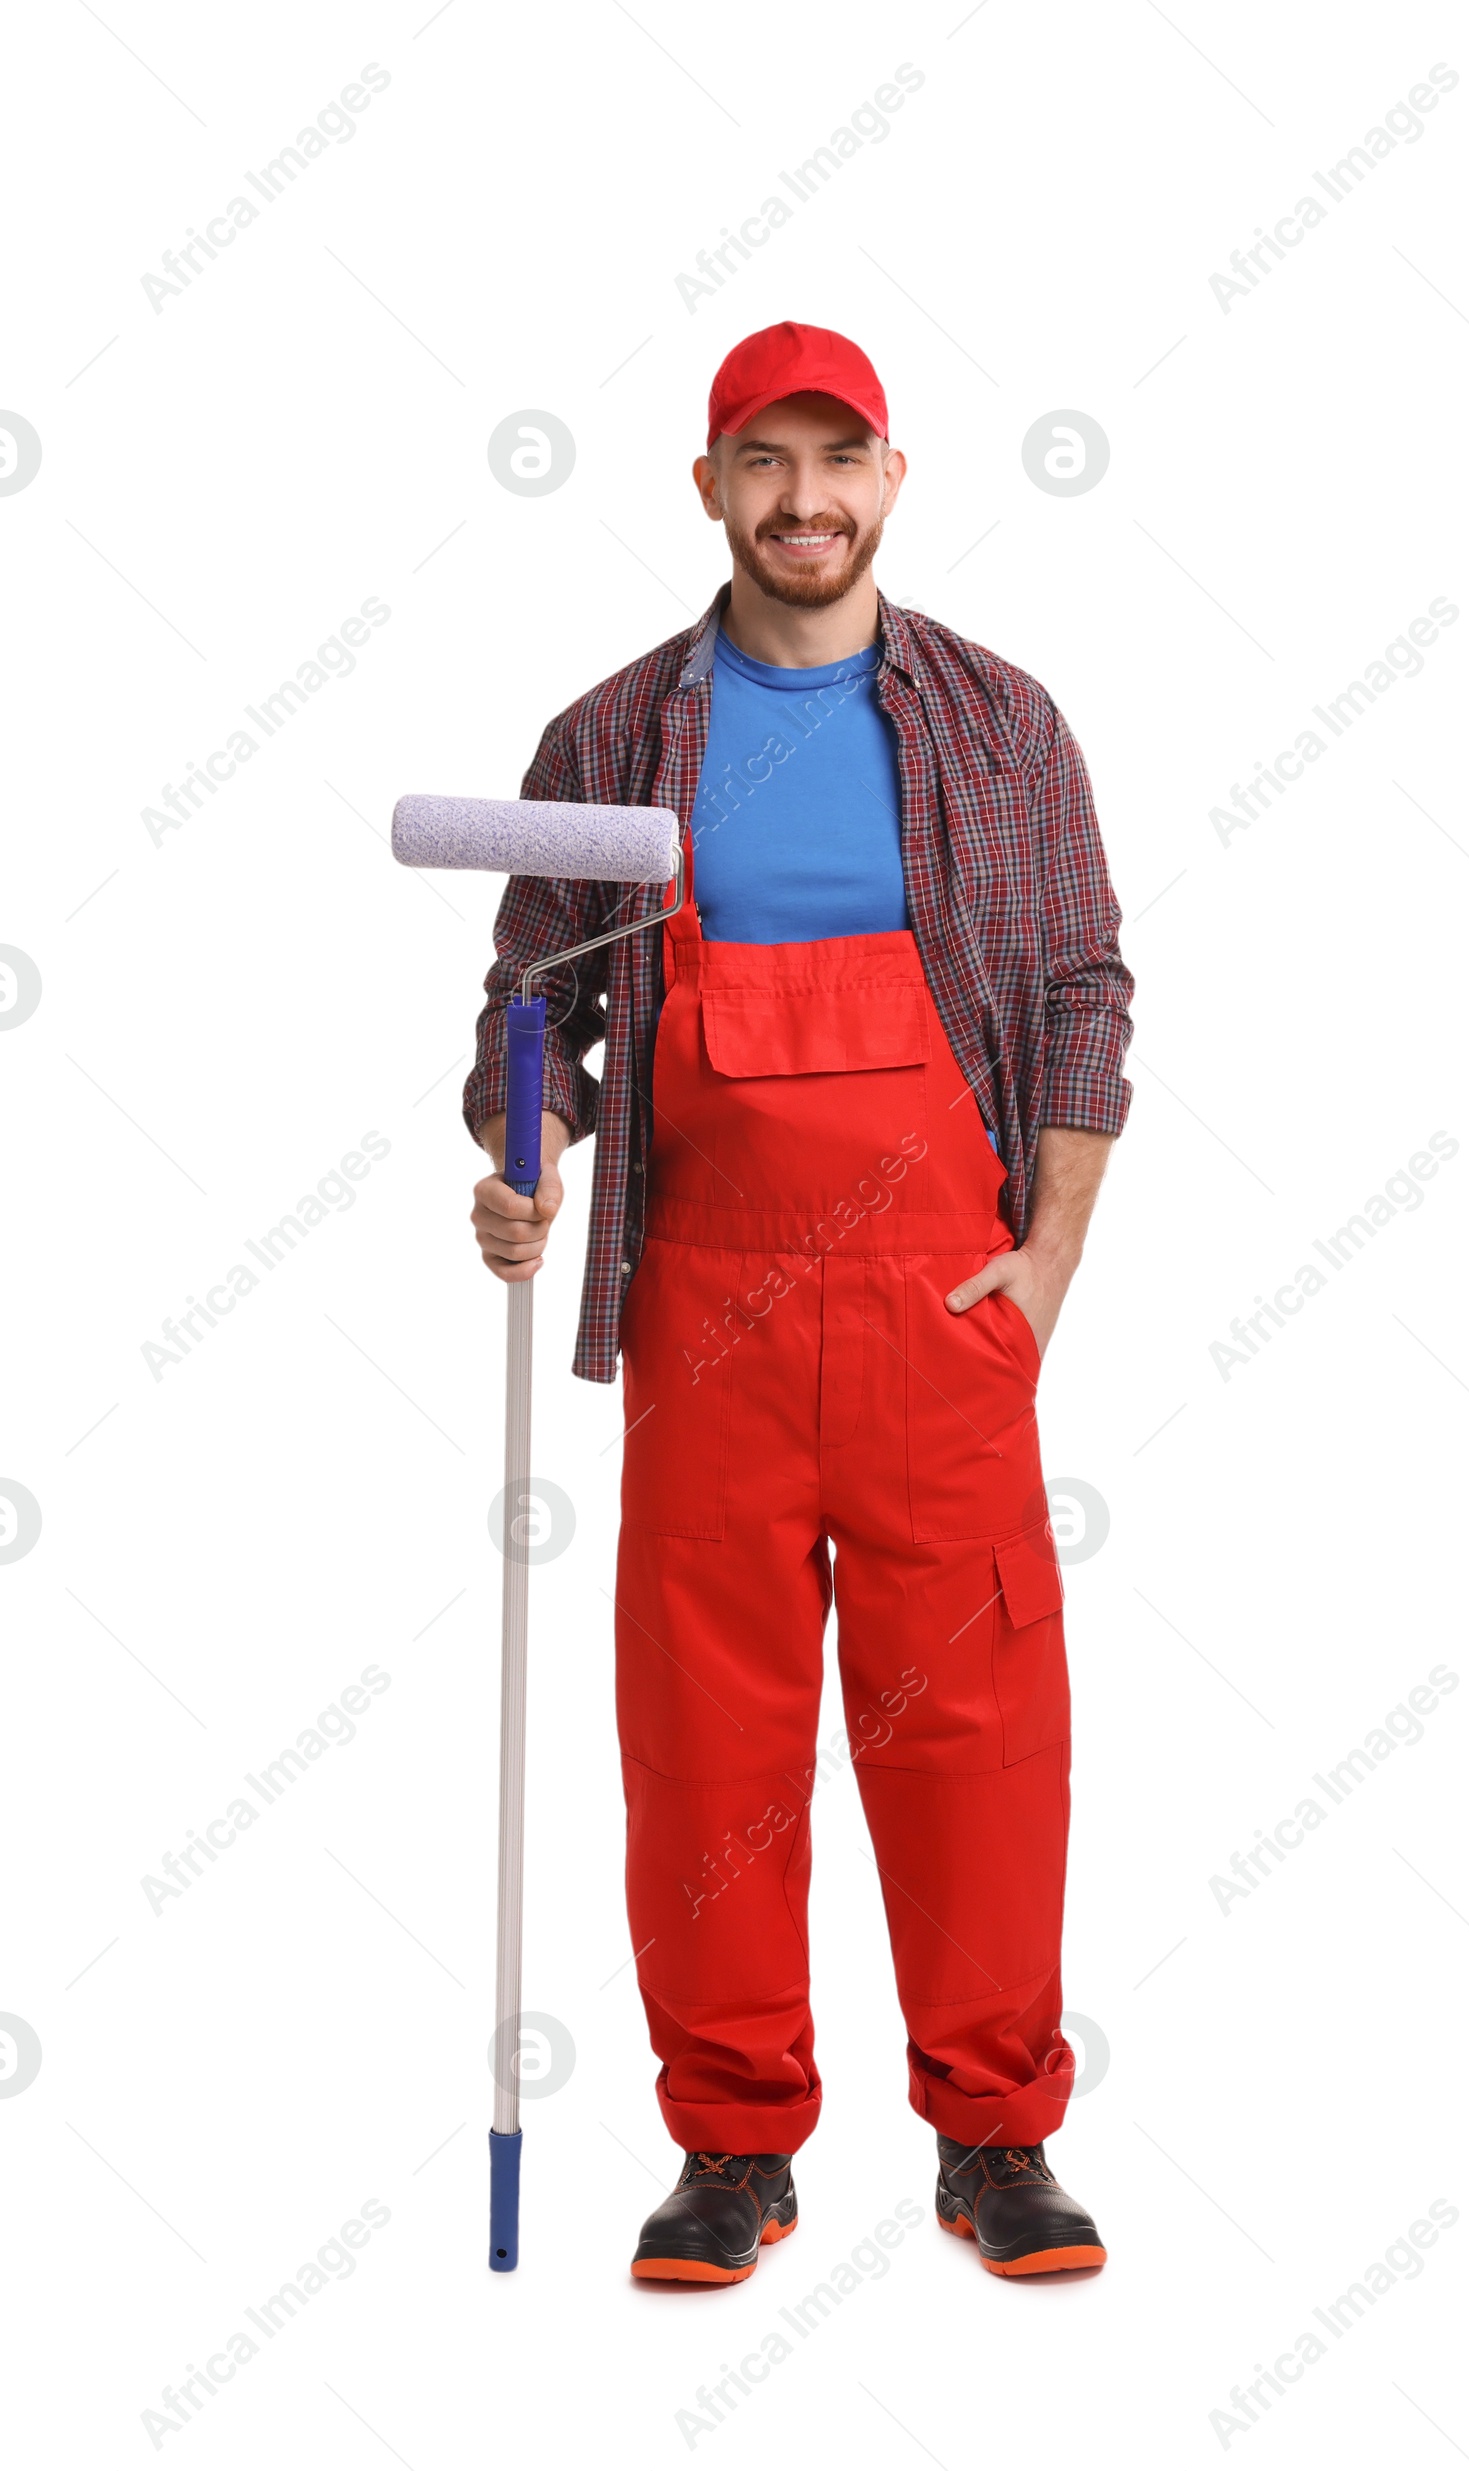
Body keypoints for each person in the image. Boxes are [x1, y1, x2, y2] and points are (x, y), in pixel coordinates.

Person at [463, 321, 1133, 2283]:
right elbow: (533, 1000)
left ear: (893, 479)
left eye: (836, 458)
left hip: (939, 1308)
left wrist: (1052, 1253)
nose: (803, 498)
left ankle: (992, 2134)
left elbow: (1087, 986)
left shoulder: (999, 725)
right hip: (706, 1314)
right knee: (709, 1746)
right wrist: (526, 1159)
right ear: (706, 487)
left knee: (977, 1736)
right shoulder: (606, 741)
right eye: (764, 459)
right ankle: (729, 2143)